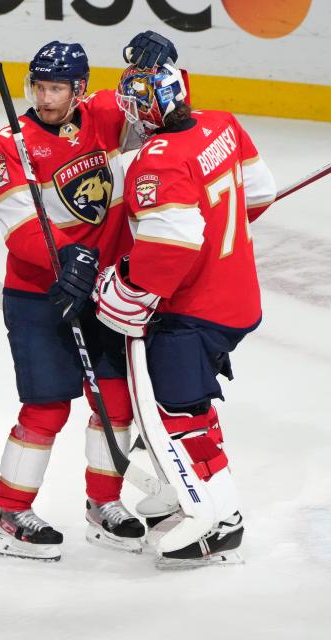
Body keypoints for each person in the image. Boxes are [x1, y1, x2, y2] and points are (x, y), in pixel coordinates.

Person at [0, 33, 177, 561]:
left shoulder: (110, 115)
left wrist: (159, 64)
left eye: (56, 89)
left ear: (81, 89)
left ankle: (103, 505)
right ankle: (11, 514)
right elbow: (19, 224)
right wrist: (66, 258)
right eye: (38, 87)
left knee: (116, 405)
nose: (44, 99)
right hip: (39, 294)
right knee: (45, 408)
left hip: (106, 290)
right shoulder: (11, 142)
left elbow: (165, 103)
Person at [93, 59, 276, 568]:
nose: (129, 113)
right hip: (236, 294)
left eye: (135, 102)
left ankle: (220, 517)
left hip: (192, 309)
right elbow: (259, 193)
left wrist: (126, 289)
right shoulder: (221, 123)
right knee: (186, 404)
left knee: (179, 409)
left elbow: (170, 245)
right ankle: (185, 493)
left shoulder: (157, 161)